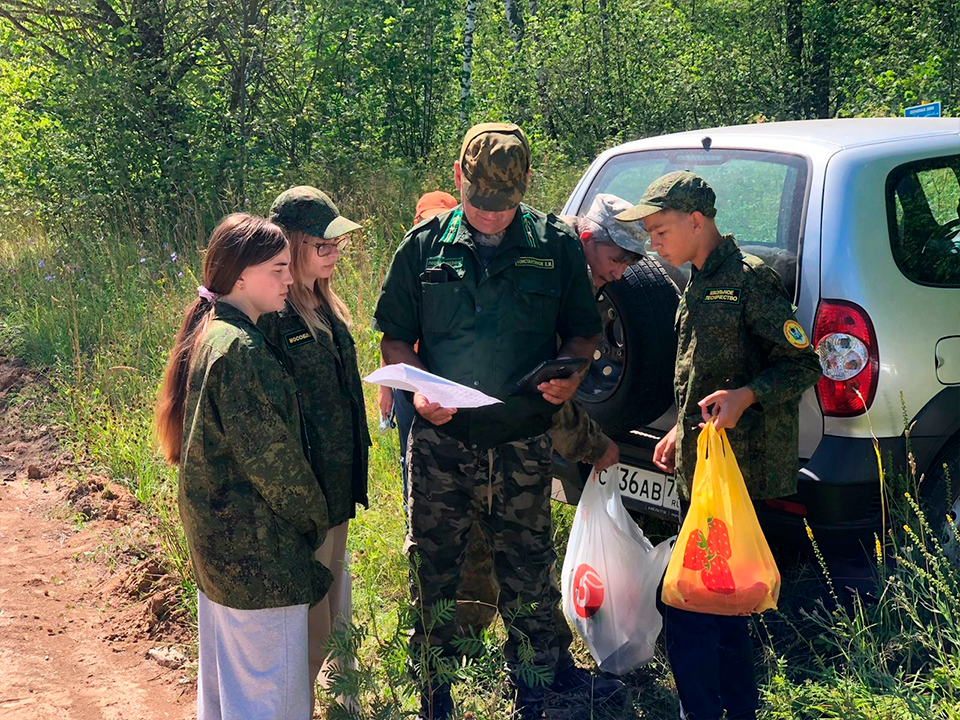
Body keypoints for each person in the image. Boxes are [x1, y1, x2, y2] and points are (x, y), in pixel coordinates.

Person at [373, 122, 616, 720]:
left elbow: (585, 331)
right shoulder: (424, 247)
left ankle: (536, 684)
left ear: (526, 186)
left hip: (522, 442)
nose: (489, 217)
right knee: (434, 568)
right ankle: (435, 691)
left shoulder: (555, 245)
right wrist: (420, 392)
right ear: (459, 180)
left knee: (529, 566)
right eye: (479, 204)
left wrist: (573, 373)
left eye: (503, 207)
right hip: (441, 443)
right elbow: (395, 338)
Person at [615, 171, 822, 720]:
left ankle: (704, 710)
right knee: (723, 611)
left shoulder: (749, 281)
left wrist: (747, 397)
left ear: (696, 221)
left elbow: (805, 363)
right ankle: (734, 709)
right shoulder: (698, 279)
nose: (652, 242)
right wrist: (682, 429)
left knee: (689, 605)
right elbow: (700, 375)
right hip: (703, 472)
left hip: (739, 476)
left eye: (659, 230)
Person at [155, 213, 331, 720]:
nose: (290, 280)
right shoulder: (239, 350)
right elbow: (275, 466)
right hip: (258, 559)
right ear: (238, 278)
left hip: (226, 552)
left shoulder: (216, 336)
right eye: (277, 270)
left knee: (232, 696)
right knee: (270, 701)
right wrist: (314, 518)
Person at [260, 186, 371, 712]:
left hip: (337, 486)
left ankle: (339, 698)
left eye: (337, 244)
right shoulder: (272, 315)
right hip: (305, 494)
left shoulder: (323, 302)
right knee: (311, 621)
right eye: (322, 244)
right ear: (292, 243)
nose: (335, 252)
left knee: (333, 602)